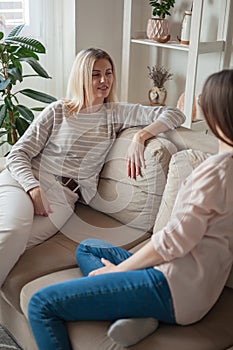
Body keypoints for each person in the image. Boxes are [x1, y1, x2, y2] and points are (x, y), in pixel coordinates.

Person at [27, 69, 233, 349]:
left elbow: (172, 243)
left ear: (216, 114)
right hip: (196, 285)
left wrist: (119, 271)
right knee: (88, 247)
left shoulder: (213, 172)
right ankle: (139, 312)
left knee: (40, 304)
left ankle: (138, 304)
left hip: (172, 289)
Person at [0, 47, 185, 288]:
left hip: (62, 199)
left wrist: (140, 136)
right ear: (81, 77)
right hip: (25, 182)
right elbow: (17, 154)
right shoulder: (58, 111)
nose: (104, 80)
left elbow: (174, 114)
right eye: (95, 74)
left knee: (19, 242)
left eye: (108, 73)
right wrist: (33, 188)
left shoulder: (116, 114)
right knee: (12, 232)